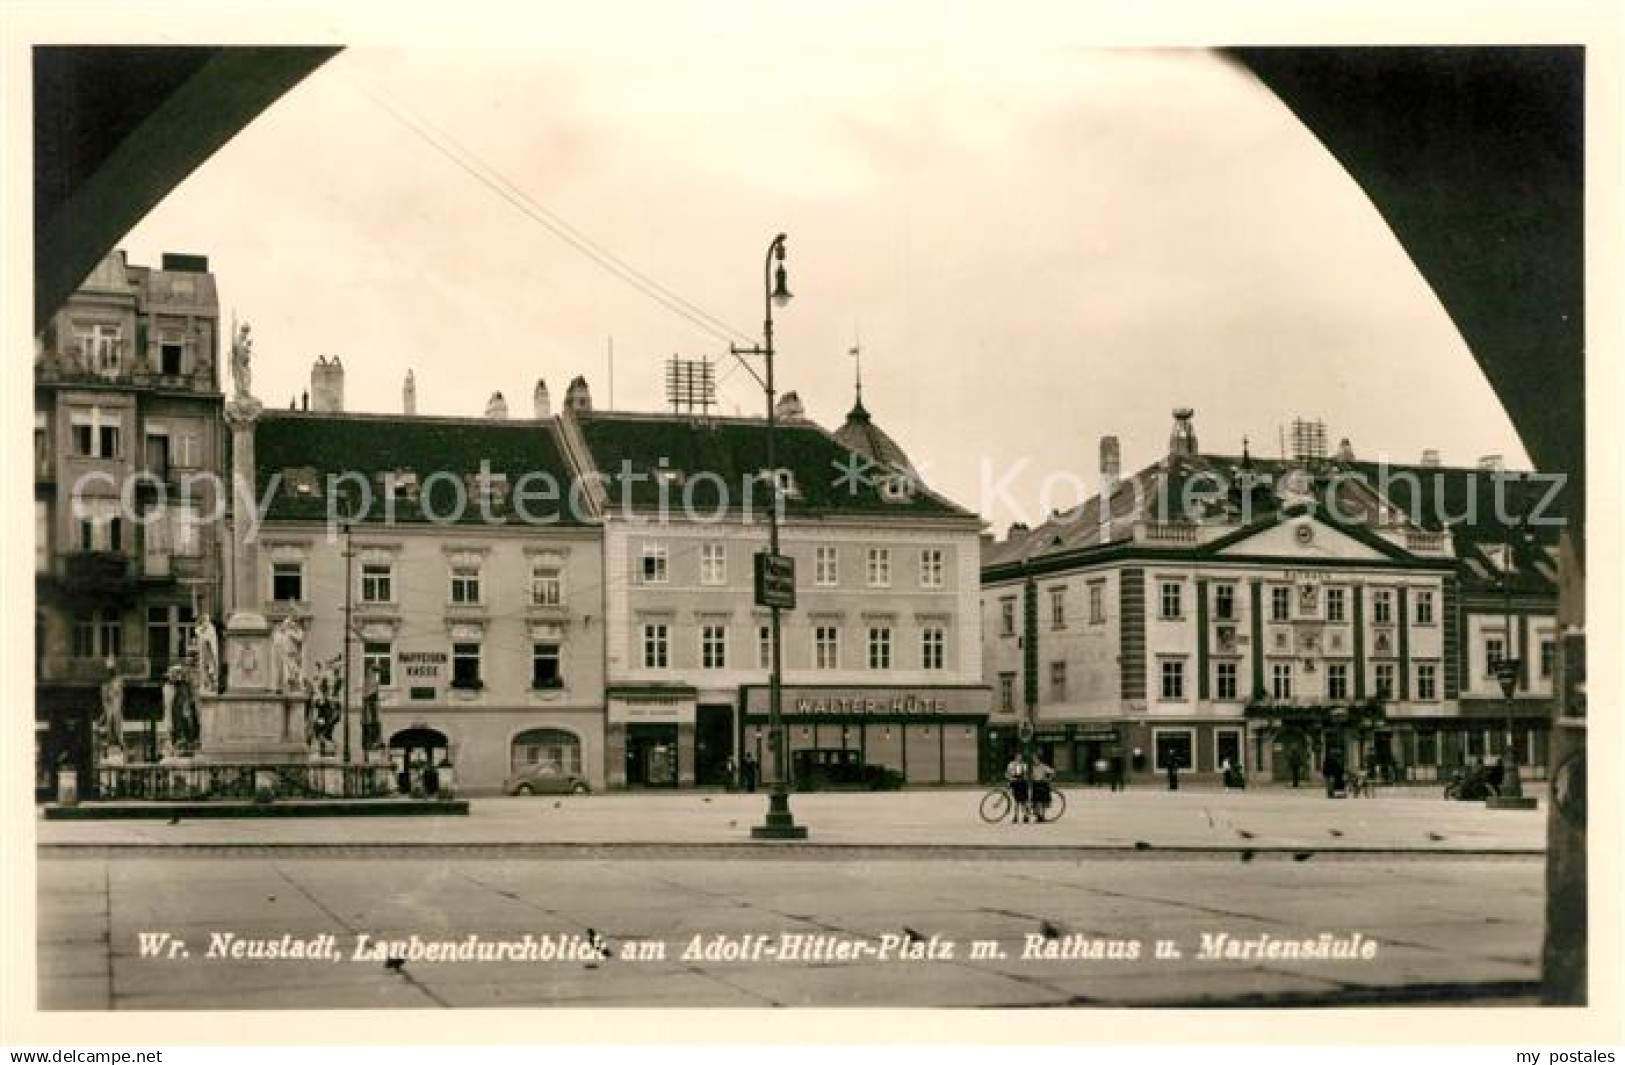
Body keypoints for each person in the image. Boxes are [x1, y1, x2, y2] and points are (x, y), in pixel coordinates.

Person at [1029, 757, 1056, 822]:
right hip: (1035, 784)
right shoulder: (1033, 767)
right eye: (1034, 760)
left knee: (1043, 801)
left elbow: (1052, 772)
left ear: (1039, 760)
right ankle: (1038, 816)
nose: (1034, 761)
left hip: (1042, 784)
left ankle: (1042, 816)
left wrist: (1048, 779)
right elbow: (1033, 775)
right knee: (1036, 801)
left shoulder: (1043, 766)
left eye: (1036, 759)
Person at [1005, 754, 1030, 823]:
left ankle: (1025, 816)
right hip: (1015, 784)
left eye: (1020, 757)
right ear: (1015, 757)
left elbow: (1025, 775)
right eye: (1018, 757)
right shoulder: (1011, 765)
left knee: (1024, 801)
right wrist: (1010, 779)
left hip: (1022, 784)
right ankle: (1016, 817)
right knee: (1016, 801)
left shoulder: (1024, 765)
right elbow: (1007, 774)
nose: (1019, 758)